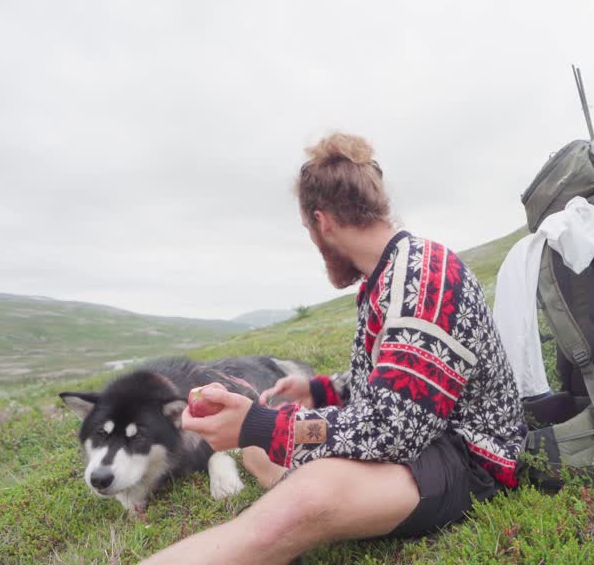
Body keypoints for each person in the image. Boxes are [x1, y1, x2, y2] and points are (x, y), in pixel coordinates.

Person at [141, 133, 526, 565]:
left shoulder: (423, 276)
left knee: (306, 487)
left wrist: (260, 425)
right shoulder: (387, 275)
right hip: (420, 432)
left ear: (322, 223)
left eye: (308, 230)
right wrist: (321, 392)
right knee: (259, 452)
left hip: (465, 454)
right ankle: (330, 497)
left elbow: (389, 431)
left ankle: (307, 507)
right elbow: (399, 378)